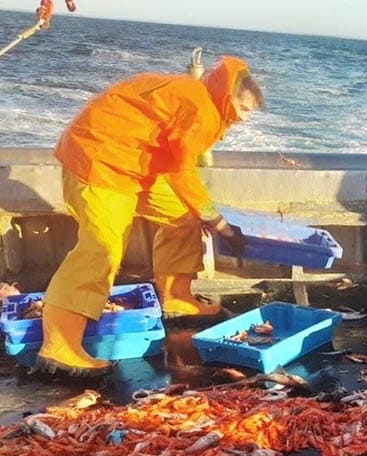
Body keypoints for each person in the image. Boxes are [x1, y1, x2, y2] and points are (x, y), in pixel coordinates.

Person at [36, 55, 262, 376]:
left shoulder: (198, 98)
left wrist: (203, 214)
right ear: (227, 97)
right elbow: (184, 172)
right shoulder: (200, 110)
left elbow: (172, 156)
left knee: (182, 215)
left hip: (136, 162)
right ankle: (58, 346)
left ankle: (177, 298)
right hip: (100, 161)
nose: (244, 118)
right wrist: (219, 223)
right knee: (102, 248)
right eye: (244, 109)